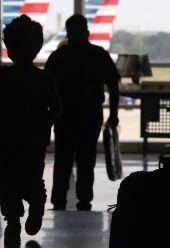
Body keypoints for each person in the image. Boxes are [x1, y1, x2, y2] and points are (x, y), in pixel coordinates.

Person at [0, 15, 61, 244]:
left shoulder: (1, 76)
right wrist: (43, 123)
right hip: (33, 140)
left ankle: (13, 220)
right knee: (32, 177)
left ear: (9, 48)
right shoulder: (43, 78)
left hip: (5, 139)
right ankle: (36, 203)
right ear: (37, 48)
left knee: (7, 181)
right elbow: (57, 107)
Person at [45, 14, 120, 211]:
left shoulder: (58, 56)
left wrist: (48, 114)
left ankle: (59, 200)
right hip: (90, 115)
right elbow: (113, 85)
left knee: (63, 159)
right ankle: (84, 199)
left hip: (64, 116)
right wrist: (113, 114)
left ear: (68, 33)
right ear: (87, 32)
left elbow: (46, 87)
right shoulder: (99, 55)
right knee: (86, 160)